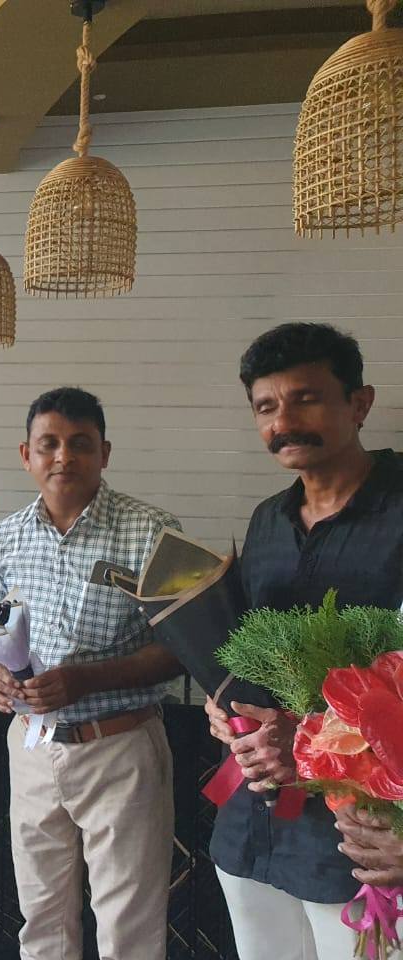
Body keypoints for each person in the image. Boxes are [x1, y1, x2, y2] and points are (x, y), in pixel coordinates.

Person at [203, 322, 403, 958]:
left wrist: (314, 739)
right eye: (266, 407)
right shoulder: (268, 520)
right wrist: (222, 704)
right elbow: (248, 648)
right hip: (254, 824)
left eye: (306, 399)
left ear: (360, 403)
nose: (283, 422)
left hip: (363, 836)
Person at [0, 387, 183, 960]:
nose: (63, 456)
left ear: (104, 453)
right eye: (48, 444)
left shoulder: (152, 531)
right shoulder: (7, 537)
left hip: (119, 748)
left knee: (128, 928)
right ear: (26, 455)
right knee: (41, 920)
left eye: (80, 443)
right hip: (32, 749)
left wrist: (85, 680)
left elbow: (181, 648)